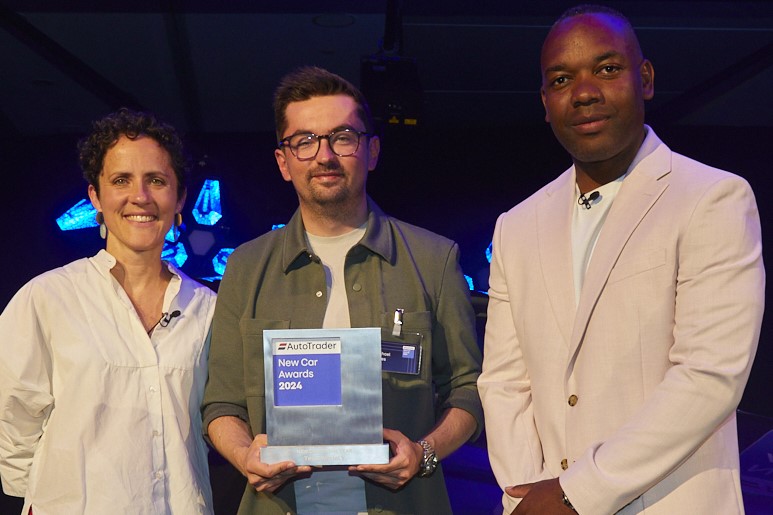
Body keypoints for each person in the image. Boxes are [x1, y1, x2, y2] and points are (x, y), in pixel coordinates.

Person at [478, 4, 764, 515]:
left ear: (645, 78)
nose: (585, 91)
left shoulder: (712, 198)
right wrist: (529, 493)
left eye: (607, 69)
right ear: (545, 102)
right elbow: (503, 382)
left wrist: (575, 494)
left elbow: (709, 375)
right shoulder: (516, 225)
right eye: (562, 79)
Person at [202, 66, 483, 514]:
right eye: (305, 141)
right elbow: (221, 403)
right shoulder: (246, 267)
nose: (324, 155)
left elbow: (469, 390)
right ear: (283, 161)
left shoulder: (434, 259)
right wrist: (242, 455)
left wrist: (424, 452)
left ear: (371, 151)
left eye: (343, 137)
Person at [0, 109, 217, 514]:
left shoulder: (207, 309)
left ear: (180, 196)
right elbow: (11, 424)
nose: (141, 197)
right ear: (96, 198)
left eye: (157, 180)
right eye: (121, 181)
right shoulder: (48, 298)